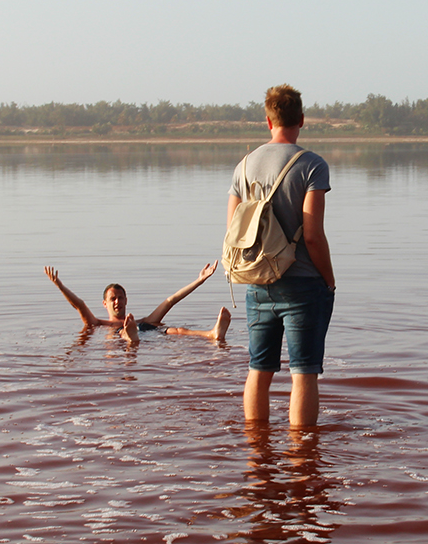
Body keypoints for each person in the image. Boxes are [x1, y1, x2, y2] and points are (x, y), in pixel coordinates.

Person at [227, 84, 335, 428]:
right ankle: (302, 457)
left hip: (257, 283)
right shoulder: (311, 165)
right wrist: (328, 281)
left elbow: (233, 229)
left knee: (258, 370)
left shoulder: (243, 166)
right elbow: (313, 235)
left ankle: (257, 454)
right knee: (303, 374)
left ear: (268, 120)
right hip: (303, 283)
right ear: (301, 119)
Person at [44, 262, 230, 345]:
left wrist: (199, 280)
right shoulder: (98, 323)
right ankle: (130, 337)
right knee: (119, 336)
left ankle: (212, 334)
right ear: (105, 304)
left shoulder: (145, 320)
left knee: (175, 330)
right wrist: (60, 286)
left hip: (143, 329)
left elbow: (172, 300)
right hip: (122, 333)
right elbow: (80, 305)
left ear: (126, 300)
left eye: (121, 298)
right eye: (113, 299)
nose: (117, 302)